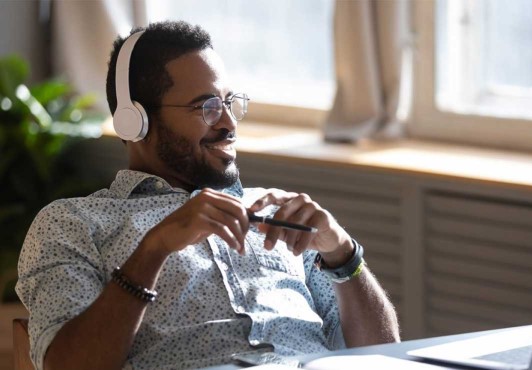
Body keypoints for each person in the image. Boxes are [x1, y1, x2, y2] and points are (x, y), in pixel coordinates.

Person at [16, 21, 400, 370]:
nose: (230, 123)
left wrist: (344, 254)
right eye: (208, 107)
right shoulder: (72, 223)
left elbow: (384, 358)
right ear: (135, 120)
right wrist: (153, 250)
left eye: (230, 103)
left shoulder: (280, 214)